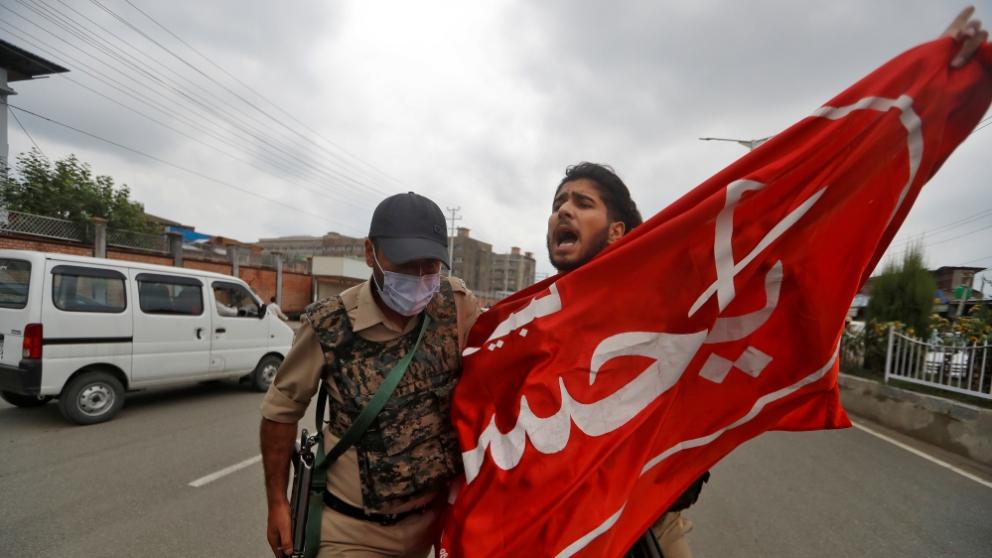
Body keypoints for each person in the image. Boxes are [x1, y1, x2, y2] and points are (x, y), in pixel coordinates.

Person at [260, 192, 482, 558]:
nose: (420, 277)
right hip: (352, 532)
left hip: (434, 527)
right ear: (370, 253)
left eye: (430, 265)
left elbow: (511, 356)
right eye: (406, 264)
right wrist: (277, 504)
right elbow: (280, 411)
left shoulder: (455, 306)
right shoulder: (328, 323)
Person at [547, 162, 708, 558]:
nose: (564, 211)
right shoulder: (530, 322)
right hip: (553, 527)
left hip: (648, 524)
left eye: (582, 203)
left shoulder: (660, 315)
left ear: (616, 231)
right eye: (559, 203)